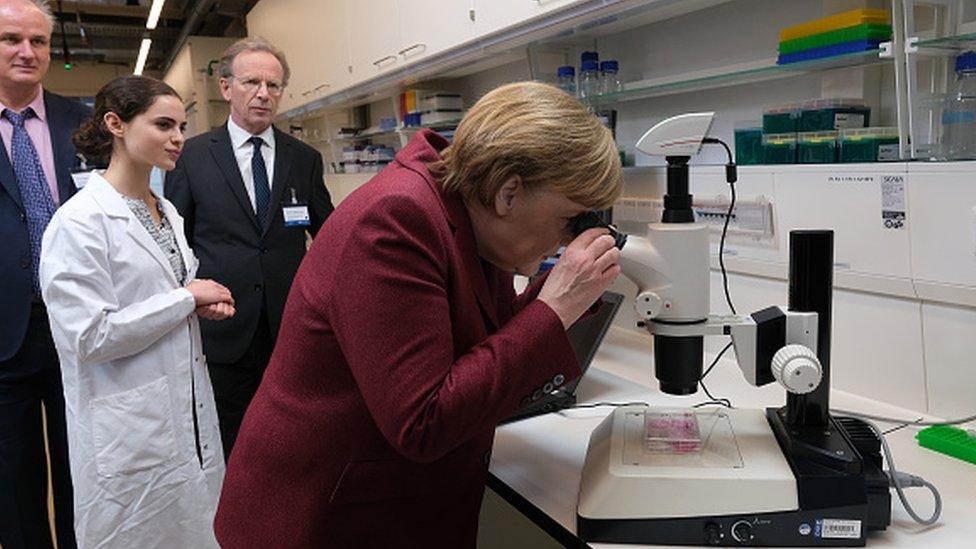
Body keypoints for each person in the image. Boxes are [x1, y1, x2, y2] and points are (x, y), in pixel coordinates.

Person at [214, 81, 623, 547]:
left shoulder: (467, 211)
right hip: (324, 517)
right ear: (509, 191)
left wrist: (566, 296)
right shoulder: (396, 219)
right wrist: (555, 306)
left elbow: (482, 341)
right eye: (571, 219)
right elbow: (424, 422)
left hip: (386, 499)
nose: (571, 238)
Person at [39, 75, 235, 548]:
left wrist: (194, 306)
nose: (178, 138)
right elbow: (88, 337)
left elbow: (160, 296)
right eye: (164, 124)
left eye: (182, 126)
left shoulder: (165, 208)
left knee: (198, 529)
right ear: (116, 124)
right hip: (126, 431)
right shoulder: (79, 222)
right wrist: (185, 299)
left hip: (184, 413)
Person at [165, 37, 334, 458]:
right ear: (226, 88)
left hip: (290, 327)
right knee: (232, 445)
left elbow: (330, 236)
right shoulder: (194, 156)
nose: (263, 94)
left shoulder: (304, 158)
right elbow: (175, 243)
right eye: (252, 82)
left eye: (273, 85)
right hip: (224, 325)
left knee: (293, 438)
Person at [0, 1, 89, 547]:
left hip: (78, 327)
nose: (27, 52)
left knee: (84, 466)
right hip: (4, 334)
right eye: (11, 39)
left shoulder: (83, 122)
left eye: (39, 41)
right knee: (13, 481)